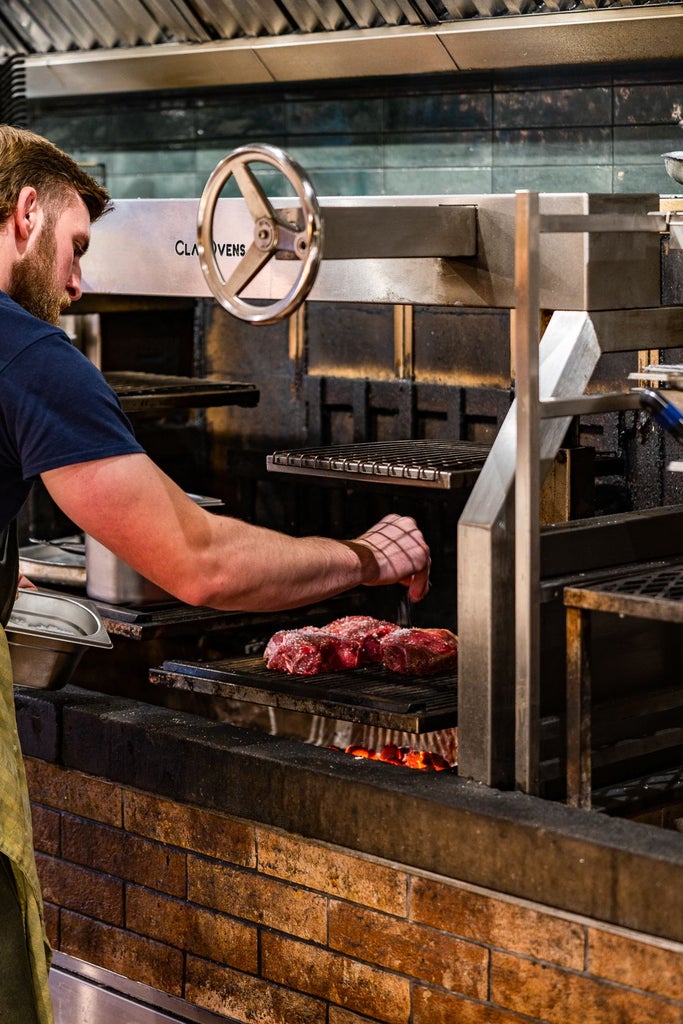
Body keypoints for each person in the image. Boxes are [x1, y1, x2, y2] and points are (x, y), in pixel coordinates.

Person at [0, 126, 430, 1024]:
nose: (77, 282)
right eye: (75, 248)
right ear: (25, 211)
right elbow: (202, 564)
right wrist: (361, 559)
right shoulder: (26, 353)